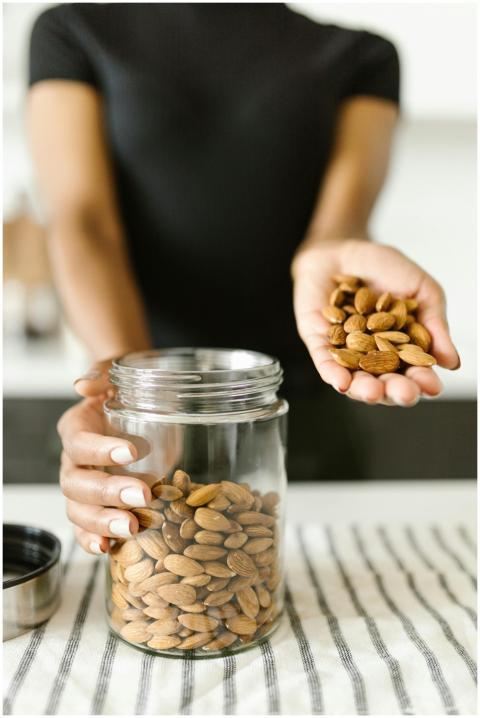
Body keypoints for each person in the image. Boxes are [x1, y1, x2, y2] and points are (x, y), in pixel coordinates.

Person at [28, 3, 459, 555]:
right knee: (166, 586)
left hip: (302, 407)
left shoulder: (364, 56)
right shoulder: (72, 31)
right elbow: (81, 221)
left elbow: (337, 228)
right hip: (140, 409)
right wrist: (138, 397)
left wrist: (326, 259)